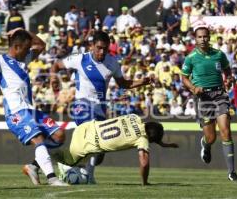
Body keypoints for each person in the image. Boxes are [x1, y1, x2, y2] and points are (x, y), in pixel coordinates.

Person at [24, 31, 155, 184]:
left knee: (99, 150)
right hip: (82, 106)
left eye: (105, 49)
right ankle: (88, 177)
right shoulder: (80, 59)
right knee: (94, 140)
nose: (102, 52)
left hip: (100, 108)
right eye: (99, 48)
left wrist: (143, 82)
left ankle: (35, 165)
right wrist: (54, 78)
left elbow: (123, 84)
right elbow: (56, 65)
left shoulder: (112, 63)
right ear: (92, 46)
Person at [0, 28, 69, 186]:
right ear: (17, 47)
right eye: (26, 49)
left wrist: (23, 31)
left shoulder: (24, 59)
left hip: (30, 110)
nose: (28, 52)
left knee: (59, 135)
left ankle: (33, 166)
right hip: (16, 111)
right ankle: (52, 178)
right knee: (38, 139)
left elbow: (41, 45)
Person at [181, 25, 237, 181]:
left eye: (205, 36)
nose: (203, 39)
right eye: (199, 37)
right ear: (195, 39)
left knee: (226, 130)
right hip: (204, 97)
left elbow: (227, 70)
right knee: (211, 137)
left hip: (219, 94)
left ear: (209, 37)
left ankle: (232, 172)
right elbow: (184, 78)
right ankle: (205, 144)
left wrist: (228, 79)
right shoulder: (191, 57)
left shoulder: (219, 54)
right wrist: (193, 88)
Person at [52, 114, 178, 185]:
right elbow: (144, 163)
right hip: (84, 146)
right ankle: (56, 167)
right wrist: (145, 182)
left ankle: (45, 160)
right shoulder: (142, 139)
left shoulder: (134, 117)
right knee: (73, 169)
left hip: (85, 127)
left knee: (96, 157)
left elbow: (148, 131)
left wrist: (162, 144)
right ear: (150, 139)